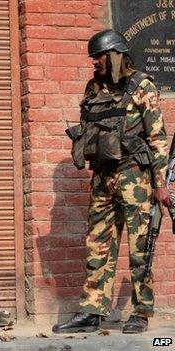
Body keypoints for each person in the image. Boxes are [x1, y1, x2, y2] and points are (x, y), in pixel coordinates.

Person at [54, 29, 171, 334]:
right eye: (93, 57)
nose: (94, 62)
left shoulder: (141, 85)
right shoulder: (93, 88)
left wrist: (161, 184)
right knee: (97, 245)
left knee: (140, 247)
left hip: (135, 177)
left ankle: (140, 312)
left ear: (116, 55)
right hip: (103, 177)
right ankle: (92, 312)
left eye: (99, 56)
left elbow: (157, 138)